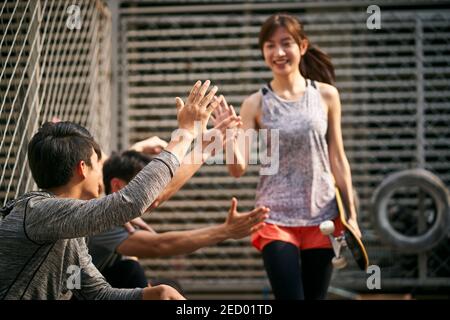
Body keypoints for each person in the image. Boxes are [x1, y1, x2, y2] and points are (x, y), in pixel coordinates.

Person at [0, 80, 219, 300]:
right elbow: (130, 202)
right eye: (99, 163)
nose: (102, 172)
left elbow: (96, 295)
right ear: (82, 169)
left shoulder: (69, 231)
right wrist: (185, 134)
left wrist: (154, 294)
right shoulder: (40, 211)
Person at [222, 14, 362, 300]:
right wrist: (226, 135)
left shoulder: (327, 96)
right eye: (270, 45)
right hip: (275, 218)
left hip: (321, 216)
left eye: (286, 43)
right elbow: (238, 169)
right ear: (263, 52)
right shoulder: (255, 103)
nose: (279, 52)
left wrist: (352, 217)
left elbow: (337, 157)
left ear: (303, 46)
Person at [88, 150, 269, 290]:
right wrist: (226, 231)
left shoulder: (115, 212)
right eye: (146, 187)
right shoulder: (101, 221)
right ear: (117, 186)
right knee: (131, 269)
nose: (154, 195)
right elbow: (159, 245)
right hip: (79, 293)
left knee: (170, 287)